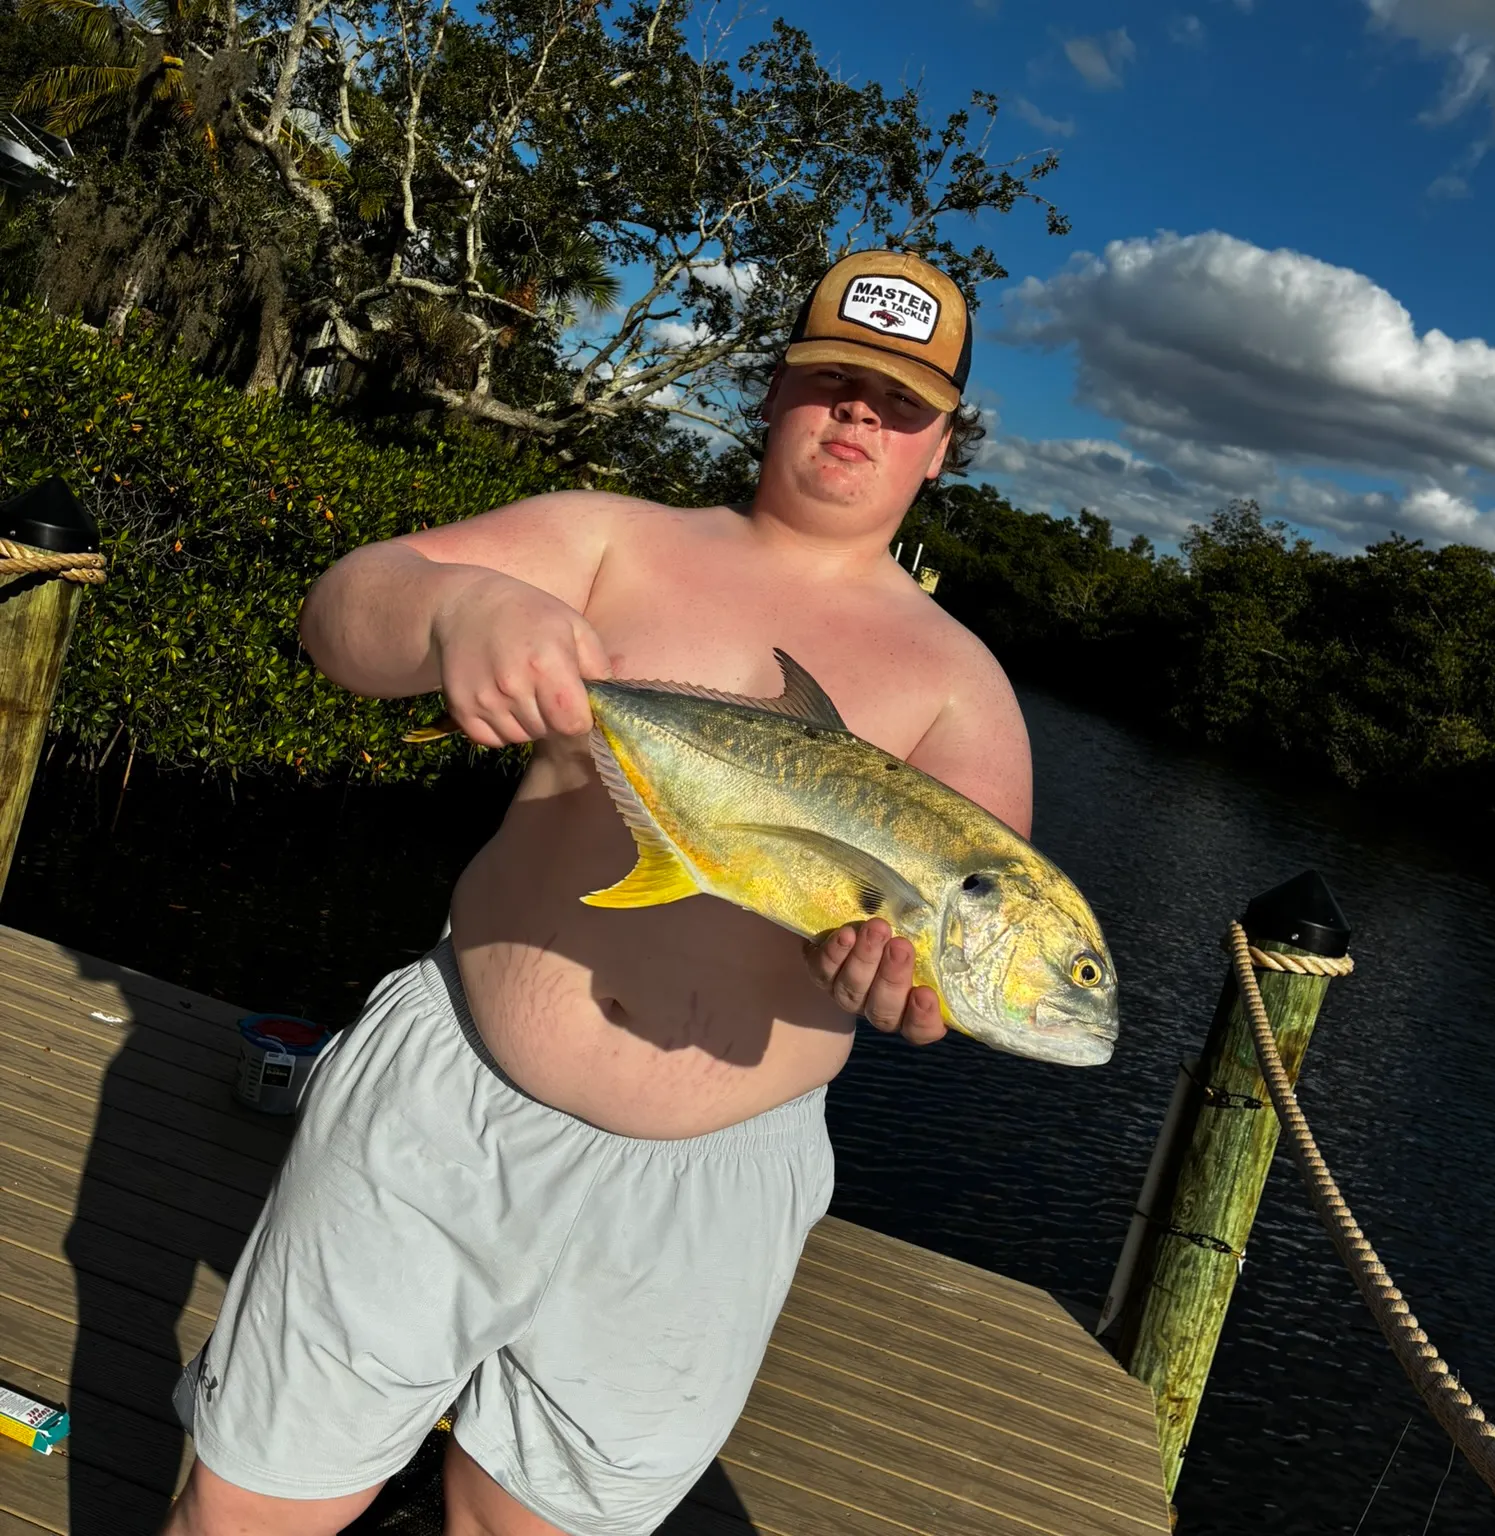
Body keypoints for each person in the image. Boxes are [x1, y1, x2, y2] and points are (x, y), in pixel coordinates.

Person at [162, 249, 1034, 1536]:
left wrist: (915, 994)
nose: (860, 411)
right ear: (773, 391)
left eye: (902, 401)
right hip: (444, 1105)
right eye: (831, 379)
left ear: (942, 448)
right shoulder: (613, 539)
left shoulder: (964, 688)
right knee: (245, 1509)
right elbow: (342, 606)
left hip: (706, 1200)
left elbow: (967, 949)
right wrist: (455, 611)